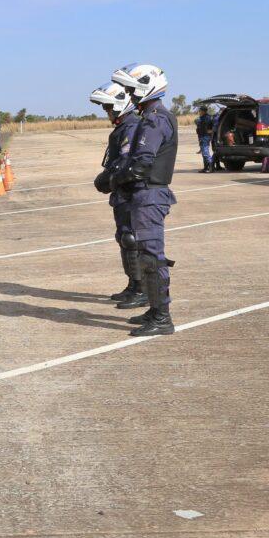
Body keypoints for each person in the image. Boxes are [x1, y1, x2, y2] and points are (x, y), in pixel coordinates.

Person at [110, 63, 177, 336]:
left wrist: (115, 179)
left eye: (130, 88)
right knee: (146, 254)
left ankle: (162, 317)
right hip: (144, 195)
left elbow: (141, 164)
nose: (128, 94)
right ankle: (154, 309)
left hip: (149, 195)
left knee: (152, 257)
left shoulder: (155, 119)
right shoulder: (149, 115)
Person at [90, 82, 142, 307]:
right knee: (123, 237)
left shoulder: (131, 127)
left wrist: (109, 179)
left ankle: (141, 289)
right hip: (121, 194)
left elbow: (125, 162)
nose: (107, 112)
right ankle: (132, 285)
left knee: (132, 239)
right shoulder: (122, 127)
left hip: (132, 193)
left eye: (109, 107)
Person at [195, 106, 217, 173]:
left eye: (200, 111)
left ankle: (211, 167)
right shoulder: (204, 118)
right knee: (204, 153)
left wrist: (210, 131)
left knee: (205, 152)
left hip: (205, 136)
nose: (199, 112)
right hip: (203, 136)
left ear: (203, 111)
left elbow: (212, 127)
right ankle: (205, 168)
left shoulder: (206, 118)